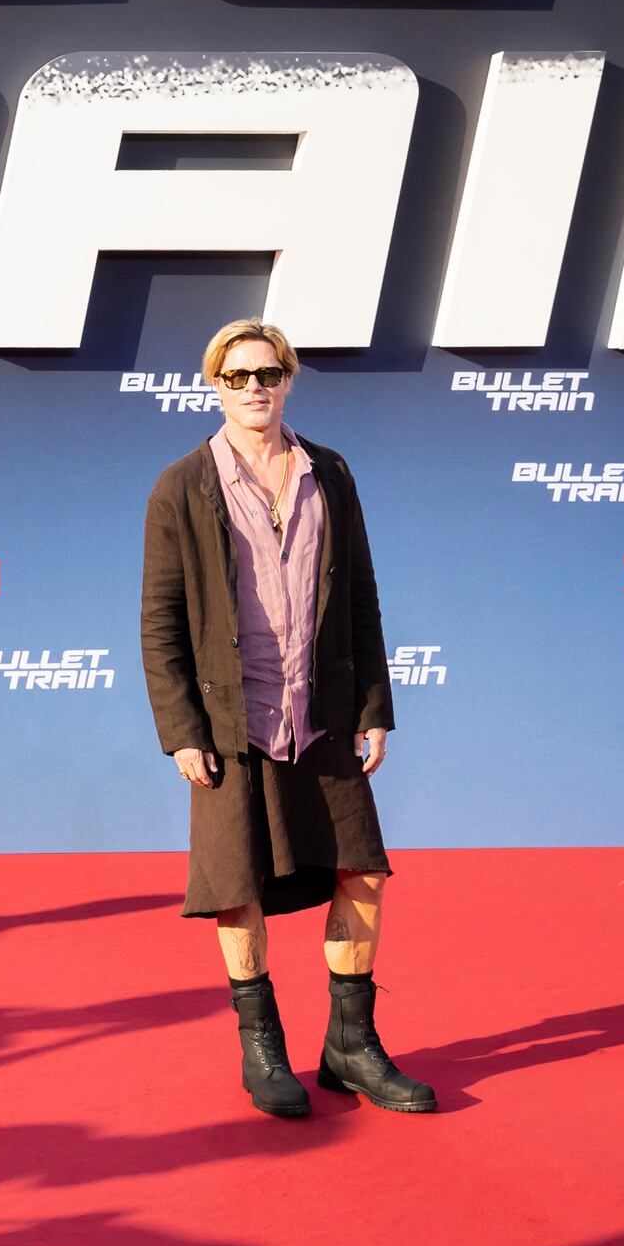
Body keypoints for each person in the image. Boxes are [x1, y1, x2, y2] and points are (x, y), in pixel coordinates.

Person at [138, 318, 433, 1119]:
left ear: (289, 378)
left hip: (324, 713)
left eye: (267, 372)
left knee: (362, 870)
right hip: (233, 723)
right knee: (237, 889)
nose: (255, 387)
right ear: (215, 385)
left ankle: (351, 1045)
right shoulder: (181, 485)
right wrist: (183, 730)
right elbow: (160, 619)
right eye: (237, 377)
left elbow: (361, 597)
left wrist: (374, 705)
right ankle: (261, 1045)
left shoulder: (329, 472)